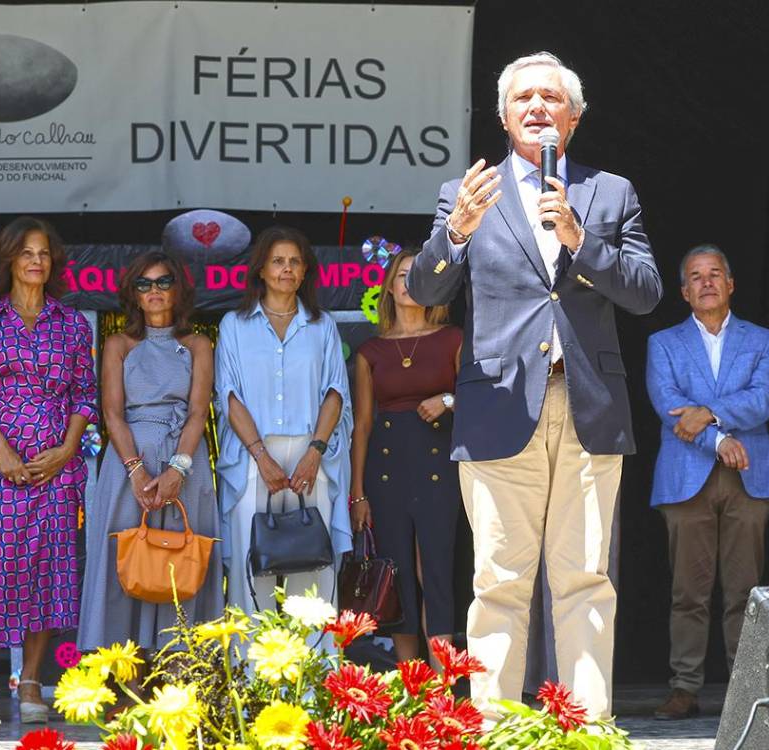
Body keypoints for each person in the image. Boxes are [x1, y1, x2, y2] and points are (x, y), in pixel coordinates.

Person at [406, 52, 662, 718]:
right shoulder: (467, 193)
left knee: (584, 578)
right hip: (498, 407)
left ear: (573, 118)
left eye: (551, 97)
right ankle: (494, 726)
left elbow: (644, 292)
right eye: (524, 98)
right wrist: (455, 231)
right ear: (503, 116)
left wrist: (580, 239)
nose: (537, 107)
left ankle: (587, 727)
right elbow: (424, 290)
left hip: (588, 408)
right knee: (498, 579)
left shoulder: (610, 192)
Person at [0, 217, 97, 723]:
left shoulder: (71, 323)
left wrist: (67, 449)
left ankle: (31, 679)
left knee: (50, 567)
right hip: (0, 461)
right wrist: (2, 452)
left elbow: (85, 393)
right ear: (9, 259)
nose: (36, 261)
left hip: (57, 465)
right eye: (27, 252)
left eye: (44, 253)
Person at [645, 245, 769, 720]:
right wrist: (720, 440)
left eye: (715, 274)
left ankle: (744, 690)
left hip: (749, 477)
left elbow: (763, 399)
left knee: (746, 592)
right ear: (684, 292)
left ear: (730, 284)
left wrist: (708, 414)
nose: (706, 282)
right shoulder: (663, 343)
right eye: (696, 276)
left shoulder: (762, 339)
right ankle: (684, 687)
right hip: (686, 477)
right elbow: (669, 408)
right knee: (689, 592)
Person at [79, 251, 222, 649]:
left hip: (184, 459)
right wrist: (136, 470)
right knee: (123, 557)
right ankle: (125, 671)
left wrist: (178, 468)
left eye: (163, 282)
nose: (154, 290)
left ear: (178, 291)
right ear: (134, 294)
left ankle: (181, 668)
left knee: (182, 560)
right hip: (128, 463)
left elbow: (198, 412)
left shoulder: (198, 344)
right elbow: (112, 413)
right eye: (144, 284)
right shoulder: (119, 344)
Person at [214, 226, 351, 624]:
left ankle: (316, 662)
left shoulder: (321, 325)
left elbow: (336, 392)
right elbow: (229, 396)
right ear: (261, 269)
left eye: (294, 262)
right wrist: (261, 457)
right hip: (253, 455)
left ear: (305, 272)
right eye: (277, 261)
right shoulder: (234, 325)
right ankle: (249, 661)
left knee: (314, 567)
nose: (286, 269)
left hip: (311, 452)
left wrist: (315, 451)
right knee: (249, 565)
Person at [349, 249, 462, 664]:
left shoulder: (453, 338)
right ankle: (411, 683)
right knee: (396, 574)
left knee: (434, 570)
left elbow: (479, 397)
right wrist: (358, 492)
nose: (409, 283)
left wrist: (447, 400)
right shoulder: (370, 351)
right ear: (389, 288)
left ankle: (443, 681)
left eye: (418, 275)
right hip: (386, 471)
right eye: (402, 275)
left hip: (439, 467)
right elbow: (362, 425)